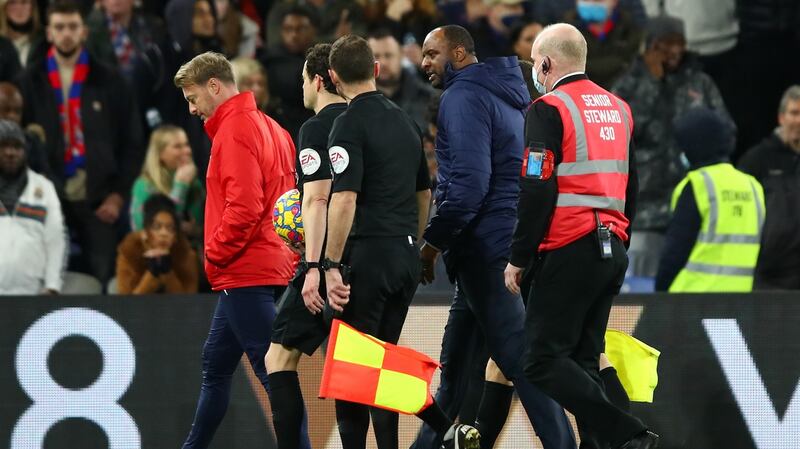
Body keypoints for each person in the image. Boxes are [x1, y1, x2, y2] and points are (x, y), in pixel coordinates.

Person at [416, 25, 575, 449]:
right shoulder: (514, 97)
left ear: (461, 53)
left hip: (484, 249)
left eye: (433, 54)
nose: (424, 63)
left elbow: (468, 186)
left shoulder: (463, 97)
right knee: (453, 376)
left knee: (522, 365)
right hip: (497, 245)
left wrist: (432, 243)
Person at [504, 23, 657, 449]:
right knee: (584, 362)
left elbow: (537, 184)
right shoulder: (619, 108)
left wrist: (519, 256)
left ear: (546, 63)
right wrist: (622, 239)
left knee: (541, 360)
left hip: (568, 247)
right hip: (611, 247)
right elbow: (632, 185)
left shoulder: (549, 108)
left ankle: (631, 434)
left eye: (537, 64)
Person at [322, 34, 477, 449]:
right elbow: (423, 193)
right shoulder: (405, 121)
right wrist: (417, 245)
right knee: (381, 361)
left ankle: (443, 425)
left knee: (352, 371)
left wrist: (331, 264)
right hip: (404, 255)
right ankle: (443, 428)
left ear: (333, 78)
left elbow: (345, 199)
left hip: (367, 256)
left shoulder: (346, 124)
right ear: (374, 70)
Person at [173, 51, 297, 449]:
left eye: (193, 98)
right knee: (216, 363)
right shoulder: (274, 128)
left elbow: (244, 208)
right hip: (271, 263)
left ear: (215, 85)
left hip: (246, 269)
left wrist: (213, 253)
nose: (192, 109)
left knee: (273, 374)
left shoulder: (233, 130)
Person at [17, 0, 144, 284]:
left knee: (102, 275)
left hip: (99, 199)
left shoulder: (111, 81)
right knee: (38, 278)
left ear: (84, 31)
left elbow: (133, 142)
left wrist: (117, 195)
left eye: (72, 27)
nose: (66, 34)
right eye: (59, 27)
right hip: (47, 197)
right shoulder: (29, 83)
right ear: (48, 33)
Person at [265, 42, 345, 449]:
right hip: (374, 253)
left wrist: (314, 263)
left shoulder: (315, 128)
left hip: (326, 261)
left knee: (278, 358)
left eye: (302, 81)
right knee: (360, 366)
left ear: (317, 80)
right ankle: (442, 423)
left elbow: (317, 199)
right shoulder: (374, 119)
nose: (301, 90)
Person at [611, 15, 733, 279]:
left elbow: (728, 132)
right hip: (645, 211)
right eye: (666, 44)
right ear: (651, 46)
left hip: (695, 206)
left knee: (689, 287)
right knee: (638, 296)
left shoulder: (700, 83)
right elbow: (619, 135)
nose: (675, 50)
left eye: (679, 43)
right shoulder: (629, 84)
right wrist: (654, 84)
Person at [655, 108, 764, 292]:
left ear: (694, 146)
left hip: (690, 302)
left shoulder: (698, 185)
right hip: (738, 300)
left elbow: (675, 254)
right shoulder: (753, 186)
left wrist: (659, 296)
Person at [737, 85, 800, 290]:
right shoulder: (758, 159)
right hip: (767, 276)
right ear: (781, 118)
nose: (799, 120)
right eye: (794, 113)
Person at [0, 119, 65, 295]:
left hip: (32, 294)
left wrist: (52, 285)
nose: (10, 153)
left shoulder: (44, 187)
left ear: (25, 151)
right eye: (3, 146)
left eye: (17, 147)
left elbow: (56, 240)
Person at [129, 124, 204, 246]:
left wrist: (196, 230)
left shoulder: (195, 183)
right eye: (177, 147)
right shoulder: (144, 186)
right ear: (160, 154)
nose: (187, 151)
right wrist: (181, 186)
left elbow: (204, 227)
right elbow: (142, 232)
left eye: (186, 145)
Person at [116, 193, 199, 294]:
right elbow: (126, 303)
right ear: (145, 231)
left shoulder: (185, 254)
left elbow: (190, 303)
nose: (163, 234)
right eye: (156, 227)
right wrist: (152, 273)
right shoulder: (130, 250)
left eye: (170, 228)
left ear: (176, 235)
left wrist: (167, 273)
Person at [260, 5, 318, 140]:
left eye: (300, 29)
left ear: (313, 31)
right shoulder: (273, 60)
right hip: (284, 129)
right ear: (281, 31)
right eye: (288, 29)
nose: (294, 35)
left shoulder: (320, 56)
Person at [564, 0, 643, 89]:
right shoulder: (562, 32)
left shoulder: (630, 30)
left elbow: (634, 68)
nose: (591, 3)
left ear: (614, 2)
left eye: (598, 0)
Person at [368, 28, 436, 130]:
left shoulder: (428, 97)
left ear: (401, 55)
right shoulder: (357, 103)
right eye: (376, 56)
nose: (383, 63)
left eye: (388, 55)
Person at [0, 82, 49, 176]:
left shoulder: (31, 141)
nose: (12, 116)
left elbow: (46, 175)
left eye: (17, 111)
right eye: (6, 110)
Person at [1, 0, 46, 67]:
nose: (19, 8)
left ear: (32, 7)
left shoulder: (46, 40)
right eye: (12, 2)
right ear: (3, 7)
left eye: (24, 2)